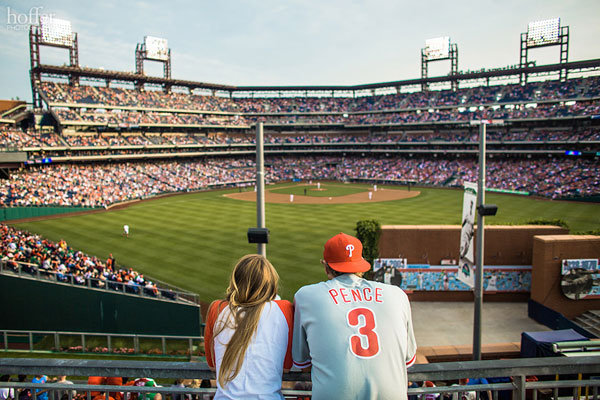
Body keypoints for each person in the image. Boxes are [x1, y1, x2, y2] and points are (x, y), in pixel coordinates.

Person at [292, 232, 417, 399]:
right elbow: (408, 360)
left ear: (326, 267)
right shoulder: (398, 295)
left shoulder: (306, 296)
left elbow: (302, 361)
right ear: (361, 265)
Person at [204, 254, 293, 400]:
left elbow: (212, 364)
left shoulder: (217, 308)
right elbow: (286, 366)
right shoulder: (285, 308)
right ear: (270, 282)